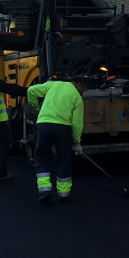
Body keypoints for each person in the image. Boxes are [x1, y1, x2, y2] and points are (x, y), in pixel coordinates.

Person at [27, 76, 88, 204]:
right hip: (63, 128)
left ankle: (44, 190)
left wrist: (36, 107)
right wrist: (77, 142)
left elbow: (31, 90)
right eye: (83, 90)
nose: (82, 93)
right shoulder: (77, 97)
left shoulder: (52, 85)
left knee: (42, 157)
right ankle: (64, 194)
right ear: (77, 85)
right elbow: (77, 124)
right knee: (64, 159)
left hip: (44, 125)